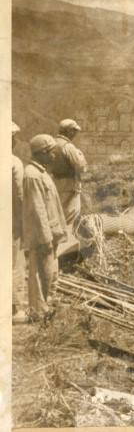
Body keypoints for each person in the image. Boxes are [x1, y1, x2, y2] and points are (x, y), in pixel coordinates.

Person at [23, 134, 68, 321]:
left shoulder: (41, 173)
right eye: (51, 152)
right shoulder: (32, 175)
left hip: (50, 231)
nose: (54, 156)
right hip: (43, 235)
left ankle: (45, 307)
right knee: (40, 273)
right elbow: (38, 209)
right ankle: (39, 311)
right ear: (41, 153)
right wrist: (45, 238)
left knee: (49, 272)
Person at [52, 119, 88, 226]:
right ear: (69, 131)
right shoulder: (68, 146)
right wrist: (80, 155)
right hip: (69, 185)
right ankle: (67, 235)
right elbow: (81, 167)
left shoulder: (52, 143)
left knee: (57, 213)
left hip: (55, 182)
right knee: (71, 215)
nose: (75, 134)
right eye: (74, 131)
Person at [11, 122, 27, 324]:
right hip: (10, 218)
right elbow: (21, 195)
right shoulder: (14, 162)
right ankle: (15, 308)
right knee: (14, 262)